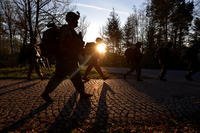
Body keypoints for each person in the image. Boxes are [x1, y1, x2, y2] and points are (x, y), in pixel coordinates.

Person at [41, 11, 92, 103]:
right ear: (71, 20)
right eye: (75, 20)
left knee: (67, 77)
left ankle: (82, 93)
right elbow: (61, 44)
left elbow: (73, 44)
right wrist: (64, 54)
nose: (77, 22)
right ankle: (45, 93)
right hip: (65, 59)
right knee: (63, 77)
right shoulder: (65, 29)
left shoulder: (71, 30)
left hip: (70, 58)